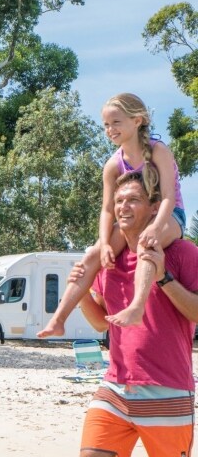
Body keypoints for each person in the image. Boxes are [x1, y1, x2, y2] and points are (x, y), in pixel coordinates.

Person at [75, 172, 198, 457]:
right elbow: (100, 323)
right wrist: (78, 292)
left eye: (133, 201)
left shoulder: (181, 252)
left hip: (167, 388)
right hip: (116, 383)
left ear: (154, 209)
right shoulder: (108, 261)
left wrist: (163, 276)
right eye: (118, 202)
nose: (123, 207)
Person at [37, 93, 185, 337]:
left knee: (146, 243)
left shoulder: (159, 151)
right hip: (132, 217)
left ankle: (136, 308)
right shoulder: (113, 165)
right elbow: (107, 209)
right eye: (106, 125)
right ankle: (58, 318)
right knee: (93, 254)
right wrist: (105, 243)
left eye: (116, 122)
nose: (110, 129)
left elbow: (168, 197)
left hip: (169, 215)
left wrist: (156, 227)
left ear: (137, 121)